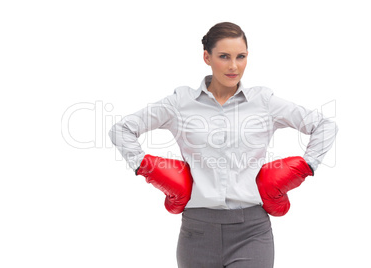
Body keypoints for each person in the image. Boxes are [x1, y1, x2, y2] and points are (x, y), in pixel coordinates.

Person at [108, 22, 338, 268]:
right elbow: (121, 130)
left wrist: (307, 166)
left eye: (241, 57)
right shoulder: (181, 103)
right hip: (197, 231)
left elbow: (324, 126)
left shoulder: (263, 102)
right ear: (207, 57)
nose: (233, 66)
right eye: (224, 57)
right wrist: (145, 167)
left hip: (251, 232)